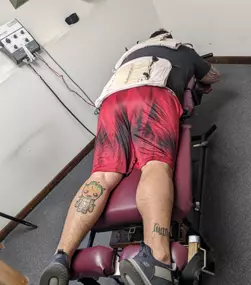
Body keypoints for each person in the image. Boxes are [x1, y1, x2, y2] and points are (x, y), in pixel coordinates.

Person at [40, 29, 220, 285]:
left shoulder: (128, 55)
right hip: (151, 94)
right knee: (154, 164)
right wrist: (199, 78)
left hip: (111, 102)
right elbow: (214, 76)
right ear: (167, 37)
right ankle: (157, 259)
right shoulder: (181, 49)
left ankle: (61, 257)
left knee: (102, 175)